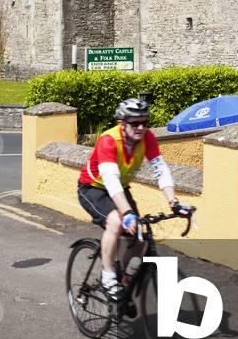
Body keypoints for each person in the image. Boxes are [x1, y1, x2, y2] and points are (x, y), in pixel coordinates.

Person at [77, 97, 180, 302]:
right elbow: (110, 180)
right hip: (93, 188)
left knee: (140, 236)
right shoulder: (108, 141)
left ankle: (124, 282)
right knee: (115, 221)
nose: (140, 127)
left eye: (145, 122)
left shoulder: (147, 138)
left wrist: (173, 201)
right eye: (134, 123)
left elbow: (160, 170)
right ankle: (108, 277)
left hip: (120, 189)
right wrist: (127, 213)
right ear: (122, 124)